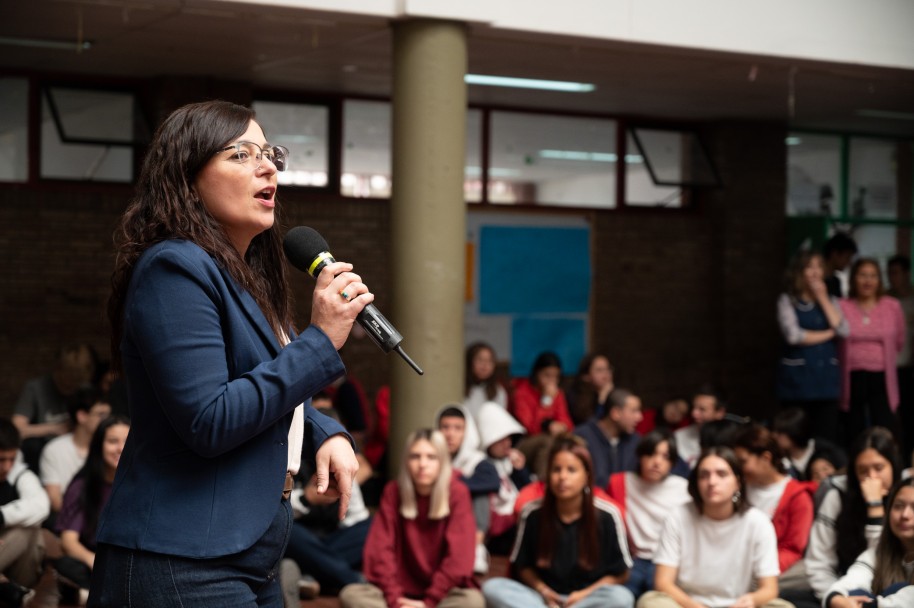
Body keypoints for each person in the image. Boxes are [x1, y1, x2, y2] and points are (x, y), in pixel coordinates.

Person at [89, 100, 363, 606]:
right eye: (239, 154)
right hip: (181, 557)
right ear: (186, 176)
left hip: (249, 558)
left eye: (268, 153)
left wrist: (326, 431)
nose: (266, 166)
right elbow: (210, 418)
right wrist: (320, 340)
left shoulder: (245, 276)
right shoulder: (174, 269)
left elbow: (258, 383)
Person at [483, 435, 635, 608]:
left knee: (622, 598)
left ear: (586, 475)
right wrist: (544, 592)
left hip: (586, 599)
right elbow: (523, 566)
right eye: (556, 470)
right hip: (543, 599)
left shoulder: (607, 515)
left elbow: (621, 574)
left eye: (571, 470)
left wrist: (583, 595)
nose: (562, 477)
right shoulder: (532, 513)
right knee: (492, 588)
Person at [339, 429, 484, 608]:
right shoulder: (394, 491)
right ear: (407, 461)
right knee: (351, 594)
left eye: (431, 457)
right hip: (397, 593)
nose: (422, 464)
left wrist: (428, 603)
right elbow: (379, 552)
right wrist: (396, 601)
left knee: (472, 601)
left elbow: (459, 560)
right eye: (415, 456)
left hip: (442, 596)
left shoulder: (458, 493)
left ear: (443, 462)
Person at [637, 446, 789, 608]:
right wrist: (692, 605)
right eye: (704, 475)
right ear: (696, 482)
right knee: (650, 601)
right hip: (686, 603)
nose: (712, 482)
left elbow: (769, 588)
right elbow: (663, 582)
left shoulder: (758, 522)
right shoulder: (678, 517)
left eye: (721, 474)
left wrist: (751, 600)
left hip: (737, 604)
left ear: (737, 482)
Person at [782, 426, 901, 608]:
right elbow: (819, 563)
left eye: (879, 468)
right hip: (842, 587)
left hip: (896, 588)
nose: (871, 478)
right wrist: (835, 598)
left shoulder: (906, 495)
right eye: (863, 471)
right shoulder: (837, 494)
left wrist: (875, 506)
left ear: (893, 465)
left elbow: (880, 561)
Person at [606, 429, 691, 599]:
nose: (657, 462)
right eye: (651, 454)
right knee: (619, 597)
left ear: (672, 463)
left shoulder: (682, 488)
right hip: (633, 560)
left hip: (667, 561)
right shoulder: (620, 482)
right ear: (640, 456)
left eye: (665, 457)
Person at [55, 415, 130, 605]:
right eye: (113, 441)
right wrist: (93, 560)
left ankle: (87, 596)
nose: (121, 448)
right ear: (99, 445)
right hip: (94, 559)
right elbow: (68, 540)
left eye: (127, 441)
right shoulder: (83, 486)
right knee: (66, 565)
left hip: (127, 561)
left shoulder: (141, 485)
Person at [776, 250, 848, 445]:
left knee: (826, 436)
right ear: (800, 272)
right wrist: (828, 334)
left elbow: (843, 329)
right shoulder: (788, 300)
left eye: (818, 267)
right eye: (809, 267)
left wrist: (823, 298)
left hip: (826, 381)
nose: (815, 272)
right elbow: (793, 335)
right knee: (795, 434)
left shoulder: (832, 300)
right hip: (797, 381)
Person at [732, 424, 816, 576]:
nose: (738, 468)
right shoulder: (736, 487)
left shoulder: (797, 497)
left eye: (743, 461)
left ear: (766, 458)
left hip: (770, 571)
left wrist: (757, 571)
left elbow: (792, 549)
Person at [838, 258, 906, 443]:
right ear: (853, 279)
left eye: (873, 276)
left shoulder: (892, 306)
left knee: (884, 427)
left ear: (879, 280)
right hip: (852, 375)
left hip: (882, 375)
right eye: (862, 275)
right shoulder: (843, 305)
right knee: (853, 428)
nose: (868, 281)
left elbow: (899, 340)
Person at [823, 478, 914, 607]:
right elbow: (851, 581)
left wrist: (870, 605)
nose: (905, 515)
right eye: (898, 506)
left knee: (896, 589)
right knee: (854, 593)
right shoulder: (878, 553)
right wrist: (836, 599)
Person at [435, 404, 499, 574]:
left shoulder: (476, 460)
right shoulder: (431, 456)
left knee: (479, 495)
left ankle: (476, 549)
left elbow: (494, 482)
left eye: (457, 428)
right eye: (445, 427)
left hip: (467, 520)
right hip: (438, 515)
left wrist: (456, 483)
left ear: (467, 432)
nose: (450, 434)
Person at [13, 343, 97, 472]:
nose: (73, 385)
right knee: (32, 446)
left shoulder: (86, 390)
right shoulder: (35, 388)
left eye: (78, 380)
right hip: (42, 451)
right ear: (58, 369)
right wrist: (55, 428)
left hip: (78, 449)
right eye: (69, 378)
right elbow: (17, 429)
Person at [0, 418, 50, 607]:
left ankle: (14, 590)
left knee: (30, 530)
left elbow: (41, 506)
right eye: (1, 460)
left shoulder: (20, 475)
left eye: (11, 459)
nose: (6, 467)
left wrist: (2, 516)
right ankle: (12, 591)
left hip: (10, 553)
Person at [40, 388, 111, 517]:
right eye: (101, 415)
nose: (107, 421)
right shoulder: (54, 450)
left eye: (108, 415)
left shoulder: (111, 449)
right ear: (82, 416)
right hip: (69, 518)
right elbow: (55, 502)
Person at [475, 401, 531, 555]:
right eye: (500, 439)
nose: (506, 443)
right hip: (496, 533)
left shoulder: (510, 463)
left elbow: (526, 492)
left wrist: (520, 471)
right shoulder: (478, 465)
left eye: (509, 438)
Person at [511, 352, 575, 478]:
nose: (551, 381)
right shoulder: (522, 393)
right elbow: (530, 428)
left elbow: (567, 423)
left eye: (555, 377)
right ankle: (542, 486)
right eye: (547, 375)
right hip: (523, 444)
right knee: (547, 441)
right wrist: (546, 401)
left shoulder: (558, 393)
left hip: (552, 439)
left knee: (575, 442)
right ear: (536, 374)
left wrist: (560, 427)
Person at [574, 388, 643, 488]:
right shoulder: (582, 436)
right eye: (634, 411)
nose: (640, 417)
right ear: (616, 413)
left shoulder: (636, 441)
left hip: (623, 502)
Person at [771, 407, 845, 482]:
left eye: (780, 433)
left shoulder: (827, 451)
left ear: (794, 433)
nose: (774, 435)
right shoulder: (779, 458)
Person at [887, 255, 914, 460]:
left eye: (895, 273)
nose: (892, 278)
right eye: (889, 273)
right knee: (895, 418)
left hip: (910, 366)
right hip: (891, 367)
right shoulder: (886, 300)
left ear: (906, 274)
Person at [673, 385, 726, 469]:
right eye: (694, 407)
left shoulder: (728, 439)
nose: (694, 414)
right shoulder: (677, 437)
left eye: (702, 409)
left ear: (720, 412)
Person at [463, 342, 508, 418]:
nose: (485, 365)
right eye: (480, 360)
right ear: (469, 362)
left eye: (489, 361)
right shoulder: (460, 387)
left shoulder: (498, 391)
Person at [567, 353, 615, 425]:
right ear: (586, 376)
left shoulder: (615, 393)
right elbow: (591, 428)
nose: (606, 374)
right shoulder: (575, 395)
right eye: (599, 370)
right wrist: (601, 401)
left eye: (608, 369)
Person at [823, 232, 858, 298]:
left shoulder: (836, 282)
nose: (849, 262)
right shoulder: (818, 281)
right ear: (835, 254)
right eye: (847, 257)